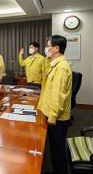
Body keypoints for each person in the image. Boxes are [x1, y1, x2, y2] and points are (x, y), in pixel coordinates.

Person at [37, 35, 72, 174]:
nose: (46, 48)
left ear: (56, 48)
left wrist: (52, 117)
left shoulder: (61, 68)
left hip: (57, 118)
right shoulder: (55, 64)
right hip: (53, 115)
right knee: (54, 149)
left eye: (48, 46)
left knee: (58, 151)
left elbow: (58, 96)